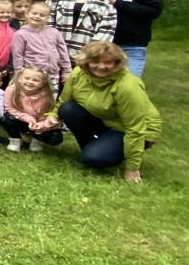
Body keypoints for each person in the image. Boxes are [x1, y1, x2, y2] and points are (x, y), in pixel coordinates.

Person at [43, 41, 161, 182]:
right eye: (95, 61)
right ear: (86, 61)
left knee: (94, 158)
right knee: (67, 109)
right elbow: (64, 100)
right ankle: (95, 149)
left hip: (128, 129)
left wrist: (132, 168)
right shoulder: (78, 73)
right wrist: (53, 116)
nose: (101, 66)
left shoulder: (128, 86)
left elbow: (135, 128)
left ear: (117, 63)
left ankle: (100, 154)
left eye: (108, 62)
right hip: (104, 119)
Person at [11, 2, 71, 92]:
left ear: (47, 18)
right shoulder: (20, 34)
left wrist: (67, 71)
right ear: (27, 14)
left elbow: (63, 52)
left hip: (52, 76)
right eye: (34, 13)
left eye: (42, 15)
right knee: (32, 98)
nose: (37, 16)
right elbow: (17, 56)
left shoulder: (54, 32)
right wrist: (19, 74)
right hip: (32, 77)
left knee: (51, 99)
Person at [1, 67, 64, 153]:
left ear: (42, 83)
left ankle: (36, 140)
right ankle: (15, 140)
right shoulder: (11, 90)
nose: (30, 82)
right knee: (6, 117)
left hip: (38, 123)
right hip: (20, 119)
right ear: (19, 79)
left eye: (35, 80)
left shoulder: (47, 96)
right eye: (27, 78)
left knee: (55, 138)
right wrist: (29, 119)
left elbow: (47, 116)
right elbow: (9, 108)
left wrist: (40, 125)